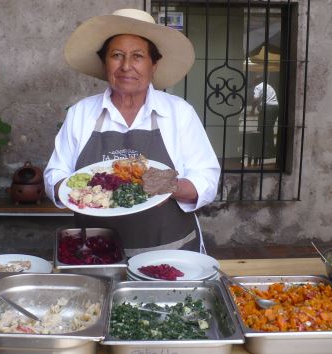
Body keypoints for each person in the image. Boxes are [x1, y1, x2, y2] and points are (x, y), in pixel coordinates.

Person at [44, 9, 220, 256]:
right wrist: (76, 190)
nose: (126, 66)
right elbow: (55, 174)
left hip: (169, 253)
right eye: (117, 55)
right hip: (97, 255)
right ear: (105, 62)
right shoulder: (81, 113)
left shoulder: (179, 112)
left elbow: (207, 179)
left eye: (137, 56)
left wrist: (170, 185)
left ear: (153, 64)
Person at [251, 75, 279, 159]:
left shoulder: (258, 87)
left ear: (256, 80)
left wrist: (252, 109)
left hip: (267, 109)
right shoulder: (268, 86)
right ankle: (270, 151)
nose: (253, 81)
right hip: (275, 108)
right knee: (269, 129)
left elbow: (255, 99)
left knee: (261, 129)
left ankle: (263, 152)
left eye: (254, 79)